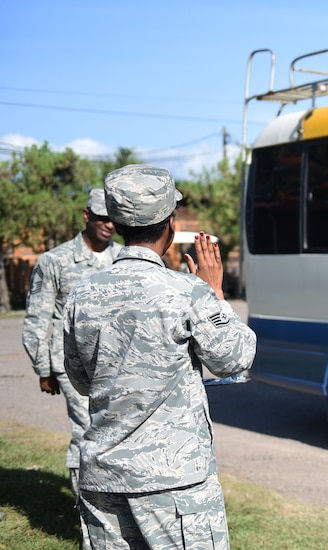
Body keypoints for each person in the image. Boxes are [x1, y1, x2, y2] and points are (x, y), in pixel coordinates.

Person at [62, 164, 257, 549]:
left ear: (116, 223)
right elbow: (235, 358)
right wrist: (215, 292)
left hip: (103, 481)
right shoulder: (187, 291)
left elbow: (82, 380)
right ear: (171, 224)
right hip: (175, 484)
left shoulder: (82, 295)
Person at [22, 188, 121, 548]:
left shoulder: (124, 258)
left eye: (114, 218)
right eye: (102, 218)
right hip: (72, 364)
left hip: (117, 364)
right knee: (87, 436)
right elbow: (38, 318)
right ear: (86, 216)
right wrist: (42, 368)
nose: (109, 225)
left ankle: (116, 514)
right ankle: (90, 524)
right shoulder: (55, 260)